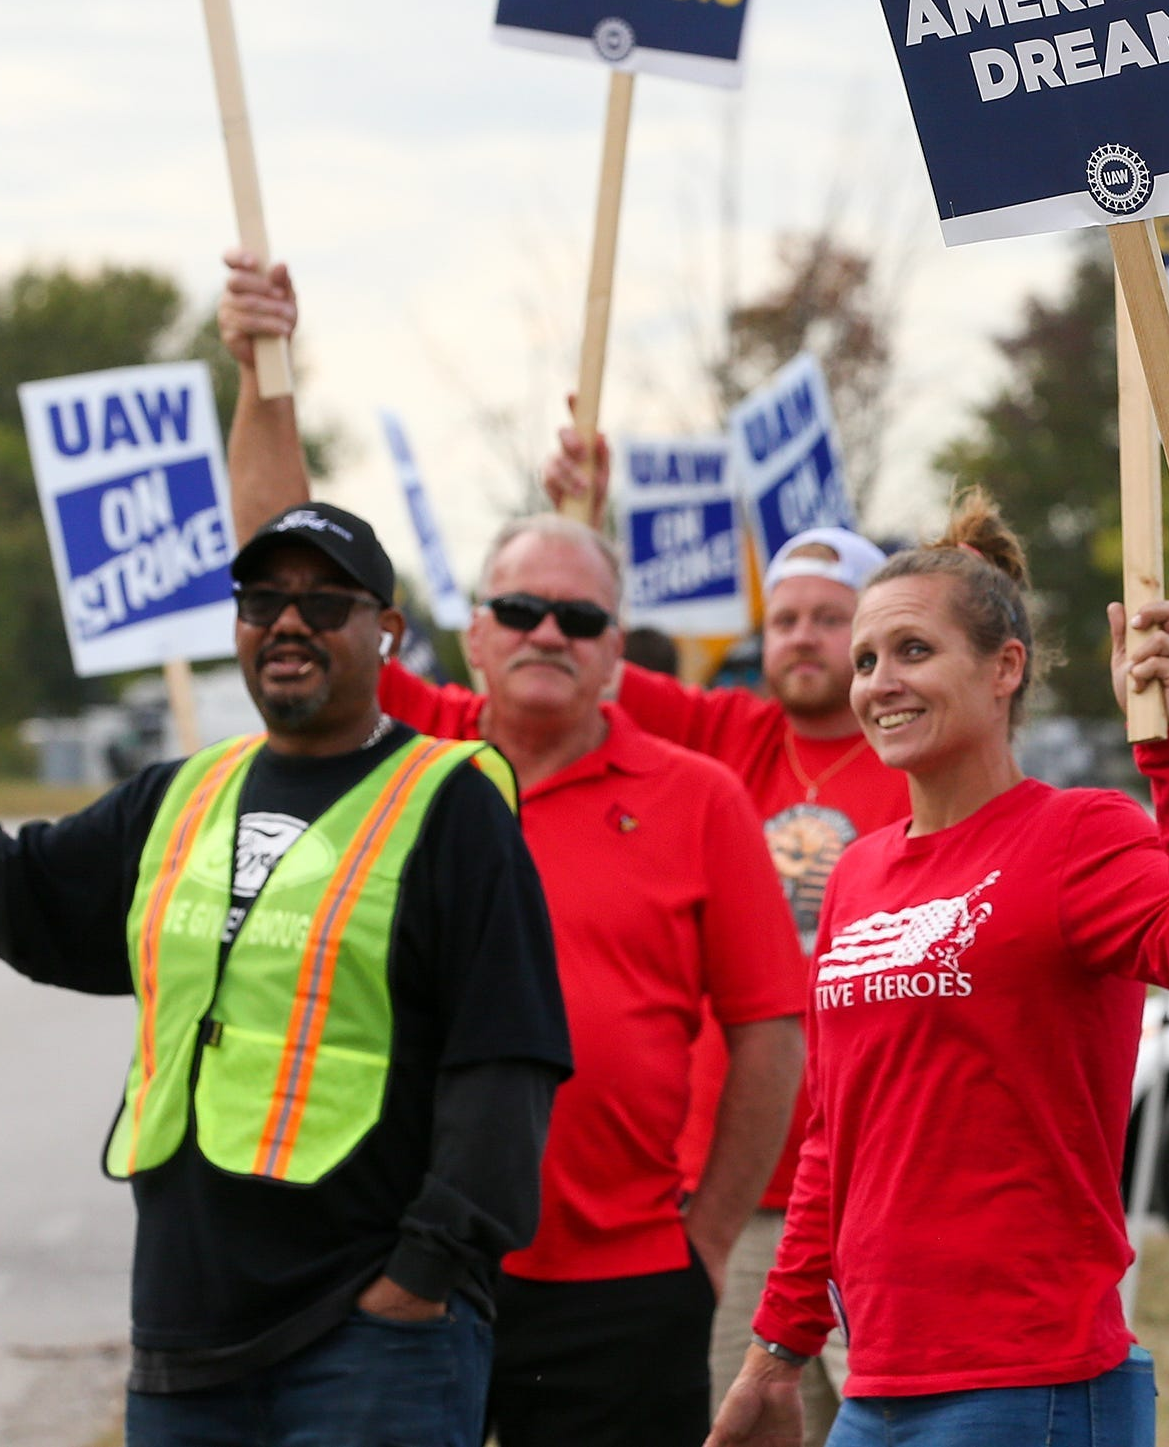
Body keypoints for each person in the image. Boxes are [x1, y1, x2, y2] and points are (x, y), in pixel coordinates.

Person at [0, 501, 573, 1447]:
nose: (288, 622)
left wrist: (424, 1273)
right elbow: (18, 897)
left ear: (389, 633)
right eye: (261, 600)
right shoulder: (180, 796)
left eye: (325, 602)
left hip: (369, 1345)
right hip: (187, 1340)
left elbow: (507, 1055)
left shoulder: (450, 804)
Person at [215, 261, 809, 1447]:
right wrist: (260, 376)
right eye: (522, 610)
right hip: (407, 1274)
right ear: (470, 631)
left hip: (625, 1293)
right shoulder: (408, 754)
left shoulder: (695, 797)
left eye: (581, 619)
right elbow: (287, 570)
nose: (550, 632)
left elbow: (769, 1034)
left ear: (613, 651)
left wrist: (701, 1244)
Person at [709, 491, 1169, 1447]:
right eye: (865, 660)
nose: (880, 682)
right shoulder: (856, 871)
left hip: (1034, 1380)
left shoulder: (1078, 833)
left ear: (1005, 666)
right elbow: (829, 1139)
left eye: (913, 651)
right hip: (877, 1379)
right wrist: (777, 1349)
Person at [544, 418, 915, 1437]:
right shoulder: (726, 734)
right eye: (785, 616)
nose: (799, 635)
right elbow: (584, 661)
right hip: (751, 1188)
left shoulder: (927, 758)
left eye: (830, 618)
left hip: (888, 1188)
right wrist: (579, 524)